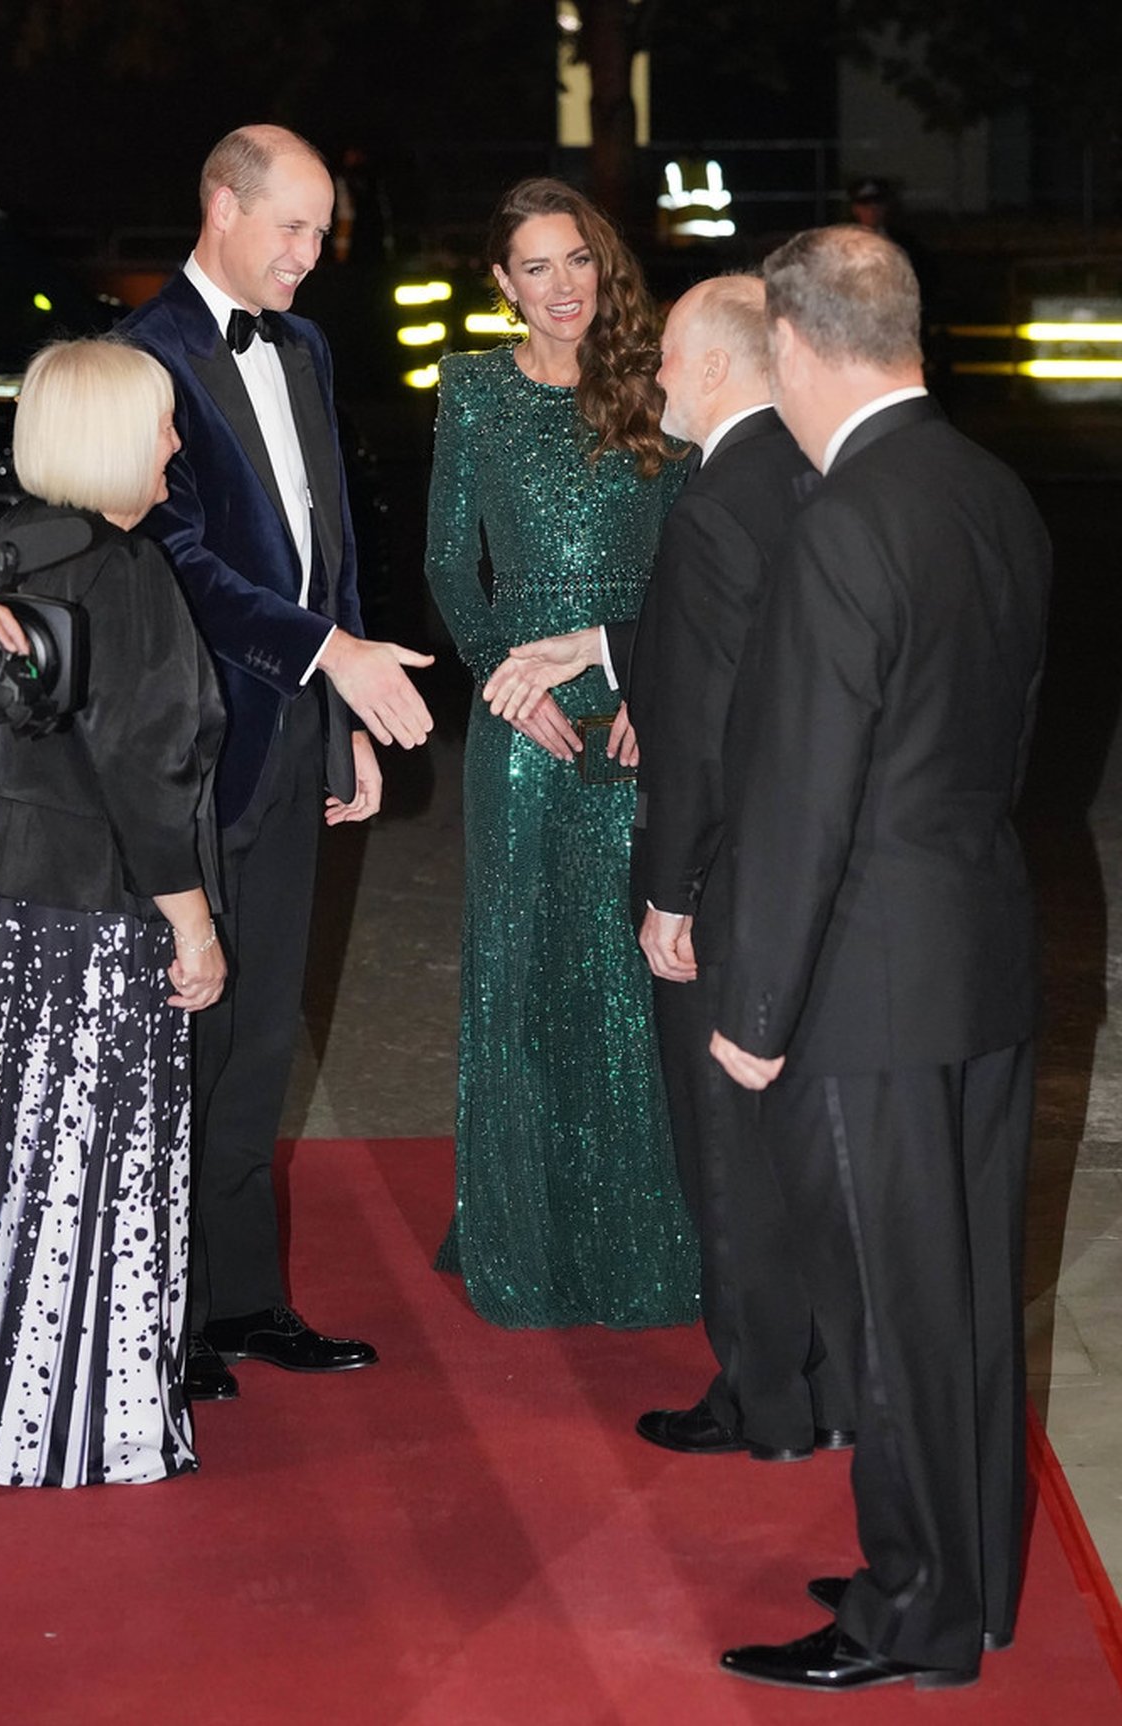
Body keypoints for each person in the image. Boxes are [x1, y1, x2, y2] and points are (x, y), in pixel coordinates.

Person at [708, 226, 1050, 1690]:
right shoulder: (993, 490)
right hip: (979, 948)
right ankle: (970, 1573)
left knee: (892, 1313)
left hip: (864, 983)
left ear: (792, 342)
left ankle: (912, 1614)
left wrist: (755, 1007)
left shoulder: (844, 519)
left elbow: (804, 791)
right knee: (963, 1297)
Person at [489, 275, 857, 1455]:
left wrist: (667, 893)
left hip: (734, 874)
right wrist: (605, 643)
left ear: (707, 368)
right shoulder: (814, 472)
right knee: (805, 1137)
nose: (649, 381)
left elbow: (696, 731)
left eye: (665, 364)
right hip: (824, 867)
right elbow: (753, 635)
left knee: (726, 1149)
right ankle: (835, 1380)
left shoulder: (712, 498)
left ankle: (765, 1398)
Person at [121, 125, 434, 1402]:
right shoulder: (146, 357)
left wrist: (342, 708)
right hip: (194, 751)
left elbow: (330, 542)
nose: (313, 256)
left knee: (260, 1040)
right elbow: (182, 560)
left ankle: (245, 1300)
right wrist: (333, 656)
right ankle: (163, 1317)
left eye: (324, 231)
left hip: (300, 728)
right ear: (221, 207)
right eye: (293, 229)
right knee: (181, 1041)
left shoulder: (301, 344)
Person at [0, 337, 226, 1487]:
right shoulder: (126, 572)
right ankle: (64, 1420)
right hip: (76, 916)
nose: (176, 443)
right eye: (160, 423)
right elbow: (145, 777)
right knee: (78, 1165)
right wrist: (194, 928)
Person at [425, 176, 697, 1329]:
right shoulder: (474, 389)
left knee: (629, 972)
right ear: (502, 283)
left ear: (605, 263)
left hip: (636, 703)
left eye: (578, 260)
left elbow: (701, 562)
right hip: (516, 718)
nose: (563, 287)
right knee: (522, 965)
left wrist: (655, 682)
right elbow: (449, 562)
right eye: (536, 267)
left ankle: (641, 1245)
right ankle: (523, 1239)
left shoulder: (659, 385)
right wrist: (501, 678)